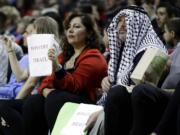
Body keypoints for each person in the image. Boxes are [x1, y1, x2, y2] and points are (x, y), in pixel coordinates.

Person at [0, 12, 108, 135]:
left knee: (54, 97)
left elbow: (75, 86)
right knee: (31, 102)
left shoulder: (94, 57)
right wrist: (45, 89)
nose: (70, 30)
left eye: (77, 27)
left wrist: (57, 68)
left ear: (89, 33)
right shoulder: (64, 56)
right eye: (68, 27)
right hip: (57, 98)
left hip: (84, 103)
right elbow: (46, 82)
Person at [85, 6, 167, 135]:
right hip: (120, 103)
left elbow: (137, 86)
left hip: (142, 106)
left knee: (117, 92)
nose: (121, 25)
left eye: (127, 21)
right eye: (120, 21)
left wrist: (103, 108)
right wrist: (107, 80)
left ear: (138, 24)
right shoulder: (124, 47)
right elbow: (119, 80)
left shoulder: (152, 49)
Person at [131, 17, 180, 135]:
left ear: (172, 34)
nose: (163, 34)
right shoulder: (175, 50)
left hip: (173, 96)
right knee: (128, 90)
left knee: (141, 90)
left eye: (165, 31)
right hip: (166, 92)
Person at [0, 16, 61, 99]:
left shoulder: (48, 49)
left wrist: (14, 103)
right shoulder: (38, 52)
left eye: (31, 31)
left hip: (36, 98)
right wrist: (10, 49)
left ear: (41, 32)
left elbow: (31, 83)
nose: (24, 35)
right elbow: (20, 76)